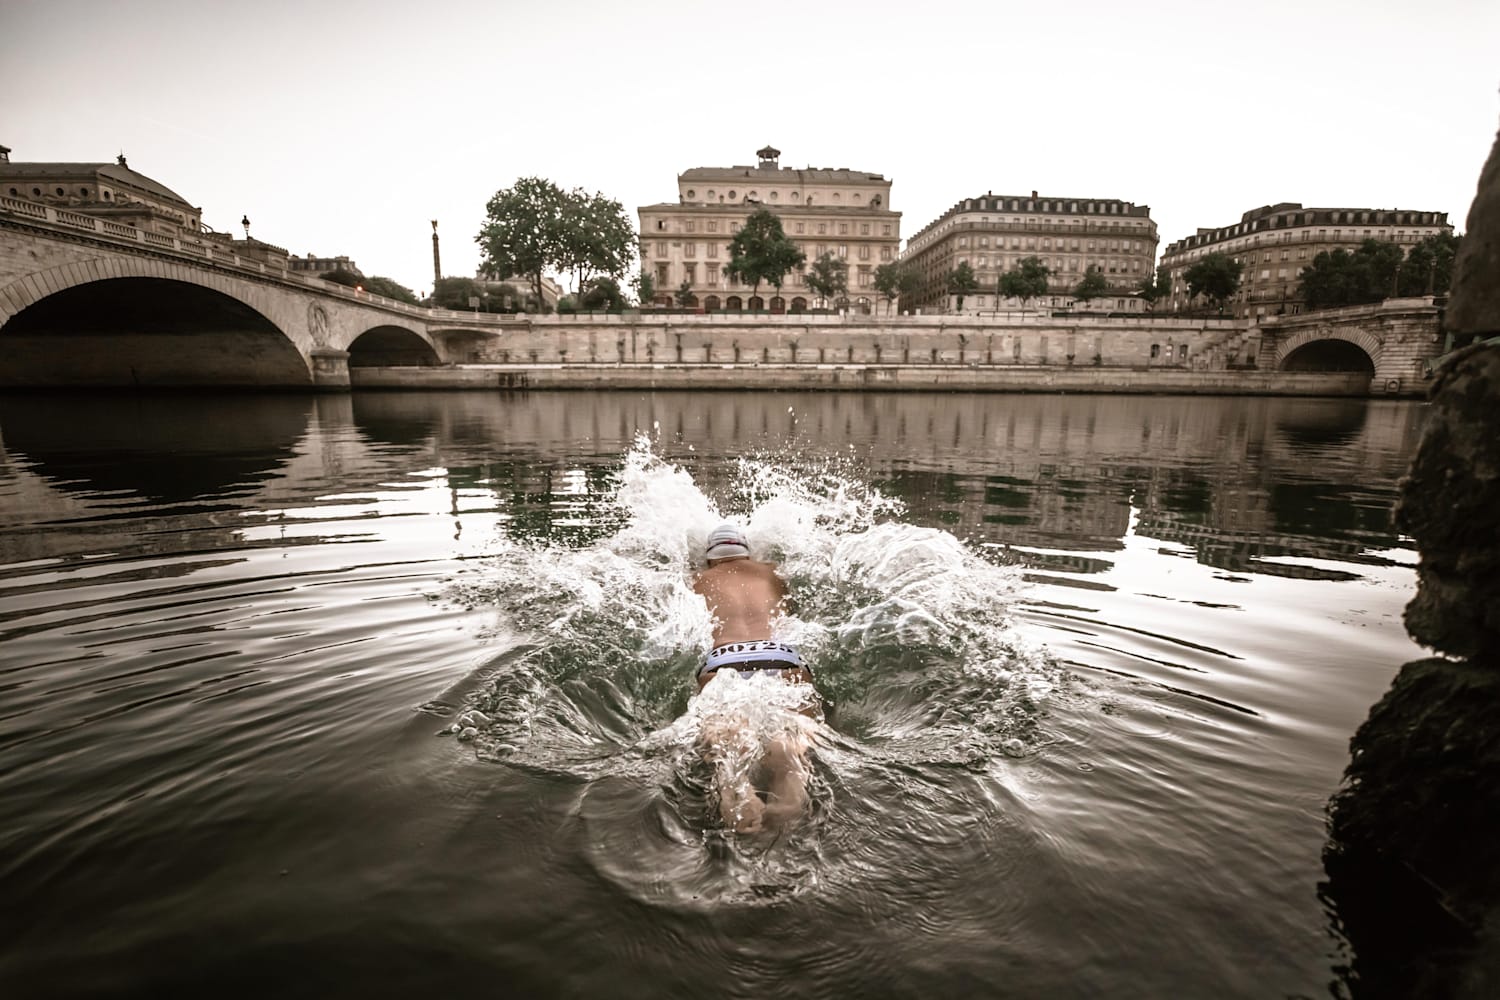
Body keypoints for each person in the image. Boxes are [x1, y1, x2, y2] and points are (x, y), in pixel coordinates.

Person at [691, 521, 816, 832]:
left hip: (724, 657)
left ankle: (738, 794)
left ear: (710, 558)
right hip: (782, 655)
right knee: (789, 746)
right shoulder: (774, 573)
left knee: (726, 742)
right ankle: (788, 804)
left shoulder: (696, 580)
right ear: (747, 552)